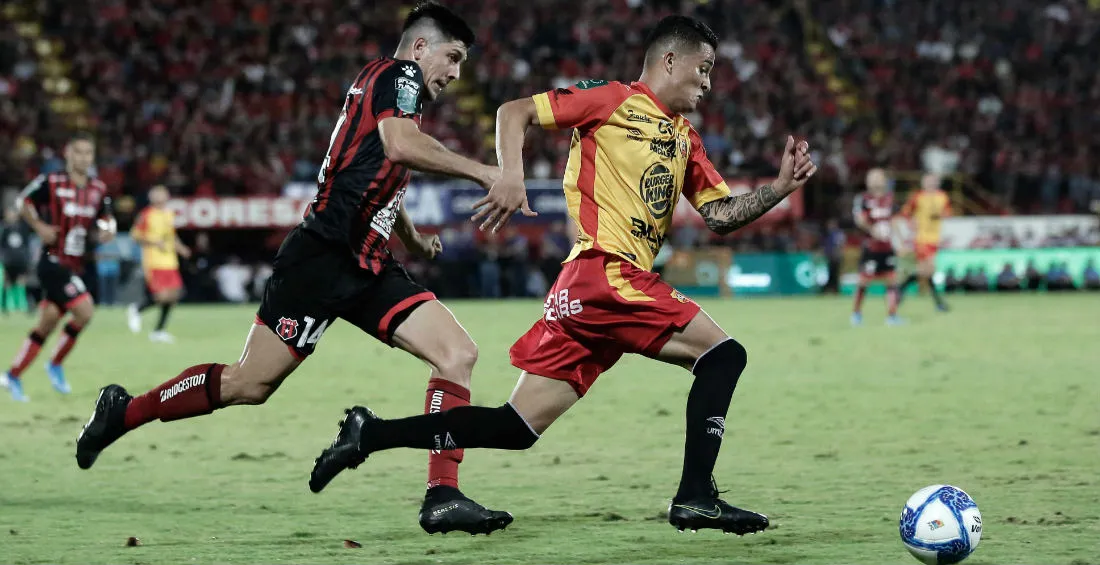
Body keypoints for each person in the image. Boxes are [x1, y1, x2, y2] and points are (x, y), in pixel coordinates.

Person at [309, 15, 817, 536]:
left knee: (515, 427)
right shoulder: (611, 99)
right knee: (723, 355)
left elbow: (720, 215)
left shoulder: (685, 138)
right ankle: (695, 497)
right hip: (605, 273)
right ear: (670, 60)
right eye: (704, 69)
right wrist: (509, 174)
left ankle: (369, 435)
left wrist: (779, 188)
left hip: (591, 294)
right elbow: (515, 111)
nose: (708, 83)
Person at [75, 2, 513, 536]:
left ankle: (442, 495)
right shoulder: (397, 75)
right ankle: (122, 413)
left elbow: (381, 170)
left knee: (457, 354)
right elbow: (400, 147)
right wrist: (486, 173)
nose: (456, 73)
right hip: (321, 259)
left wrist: (413, 238)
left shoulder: (394, 96)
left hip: (368, 266)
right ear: (420, 47)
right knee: (248, 384)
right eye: (453, 57)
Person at [1, 133, 116, 402]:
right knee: (85, 311)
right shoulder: (52, 182)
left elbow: (107, 219)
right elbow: (23, 201)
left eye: (88, 153)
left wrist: (108, 231)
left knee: (47, 324)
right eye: (79, 153)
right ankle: (54, 364)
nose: (84, 158)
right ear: (68, 154)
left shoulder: (98, 189)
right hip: (52, 261)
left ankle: (12, 375)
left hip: (77, 264)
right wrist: (39, 226)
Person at [127, 185, 192, 342]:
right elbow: (134, 236)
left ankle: (158, 331)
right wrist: (154, 242)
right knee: (162, 296)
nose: (160, 196)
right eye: (157, 194)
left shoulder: (169, 214)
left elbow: (171, 236)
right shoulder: (146, 214)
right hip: (154, 261)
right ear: (151, 197)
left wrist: (181, 248)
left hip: (170, 261)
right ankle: (136, 309)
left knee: (174, 295)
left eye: (163, 193)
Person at [850, 168, 901, 326]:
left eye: (877, 178)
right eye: (871, 178)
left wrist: (899, 241)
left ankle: (892, 316)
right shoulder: (863, 199)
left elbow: (894, 221)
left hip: (887, 247)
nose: (874, 181)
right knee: (864, 281)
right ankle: (856, 314)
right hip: (871, 248)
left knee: (892, 280)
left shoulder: (890, 199)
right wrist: (873, 230)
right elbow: (859, 219)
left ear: (884, 180)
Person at [897, 173, 950, 311]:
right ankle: (939, 303)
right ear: (923, 183)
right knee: (929, 269)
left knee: (925, 272)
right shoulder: (918, 197)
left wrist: (941, 216)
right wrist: (911, 223)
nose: (931, 184)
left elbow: (947, 212)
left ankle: (900, 289)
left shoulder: (942, 197)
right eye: (928, 182)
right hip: (922, 238)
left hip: (934, 238)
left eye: (933, 182)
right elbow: (905, 212)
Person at [1, 207, 33, 314]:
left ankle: (21, 306)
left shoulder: (23, 228)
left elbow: (27, 245)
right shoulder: (4, 229)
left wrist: (28, 259)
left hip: (21, 260)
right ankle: (10, 306)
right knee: (8, 283)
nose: (11, 216)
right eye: (9, 214)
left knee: (21, 283)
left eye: (13, 214)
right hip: (8, 261)